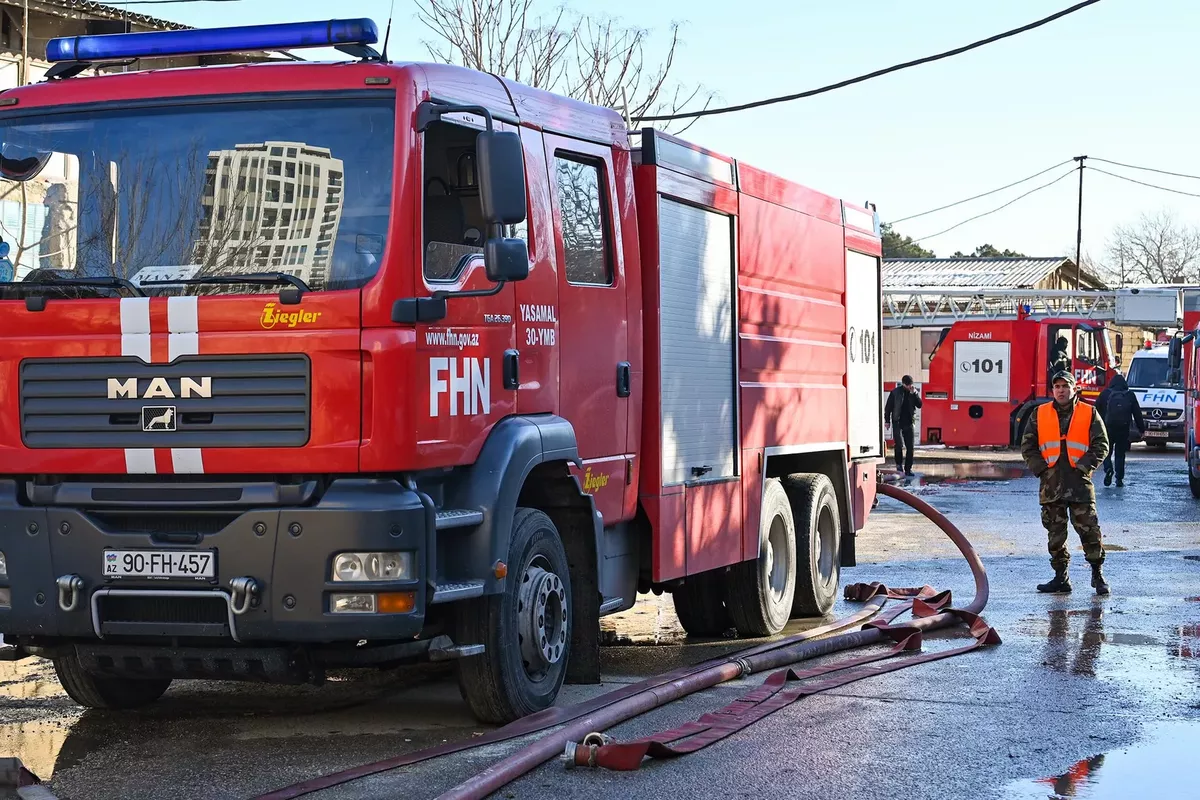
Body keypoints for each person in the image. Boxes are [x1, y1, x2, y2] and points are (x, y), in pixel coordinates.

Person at [1021, 371, 1111, 595]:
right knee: (1055, 535)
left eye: (1065, 386)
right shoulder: (1039, 414)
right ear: (1053, 390)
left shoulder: (1088, 413)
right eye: (1057, 386)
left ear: (1074, 389)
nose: (1061, 390)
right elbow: (1028, 446)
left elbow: (1101, 444)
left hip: (1079, 484)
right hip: (1051, 485)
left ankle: (1097, 575)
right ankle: (1061, 578)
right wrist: (1040, 469)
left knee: (1090, 532)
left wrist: (1084, 467)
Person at [1096, 372, 1145, 487]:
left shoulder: (1105, 394)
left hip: (1107, 428)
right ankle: (1119, 479)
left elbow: (1095, 411)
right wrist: (1141, 429)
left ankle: (1108, 469)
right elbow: (1137, 413)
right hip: (1123, 429)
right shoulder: (1130, 395)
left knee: (1106, 452)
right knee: (1120, 454)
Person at [884, 375, 922, 476]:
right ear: (903, 384)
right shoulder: (895, 392)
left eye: (911, 385)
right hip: (897, 421)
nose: (910, 387)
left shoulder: (913, 392)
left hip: (909, 422)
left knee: (910, 447)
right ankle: (899, 465)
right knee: (899, 445)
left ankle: (908, 469)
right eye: (908, 385)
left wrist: (915, 394)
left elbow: (919, 405)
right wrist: (887, 421)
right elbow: (888, 408)